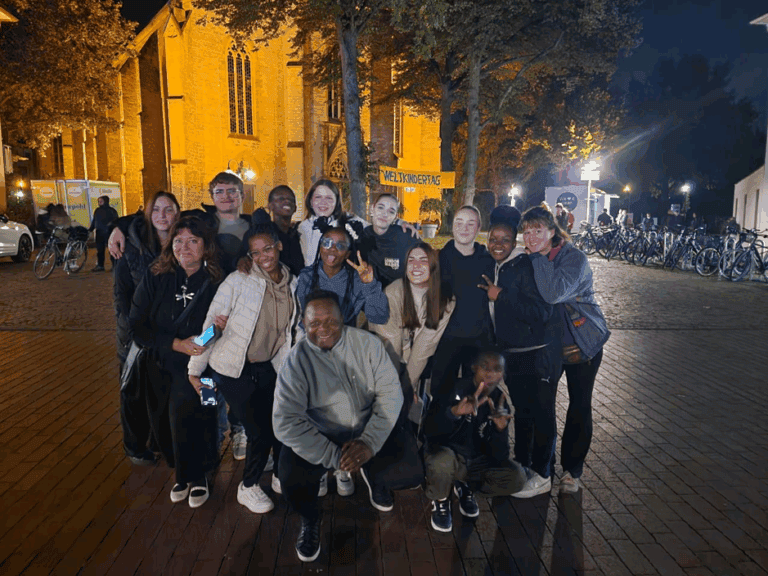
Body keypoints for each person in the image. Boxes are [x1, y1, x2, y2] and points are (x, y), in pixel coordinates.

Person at [273, 291, 424, 562]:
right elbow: (285, 421)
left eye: (331, 321)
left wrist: (369, 443)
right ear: (303, 324)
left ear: (343, 318)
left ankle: (372, 473)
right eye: (314, 323)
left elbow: (391, 394)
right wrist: (336, 458)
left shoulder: (369, 344)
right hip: (323, 435)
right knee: (290, 479)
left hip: (368, 428)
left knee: (410, 474)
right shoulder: (296, 360)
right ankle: (310, 519)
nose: (323, 329)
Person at [187, 211, 300, 513]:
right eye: (256, 252)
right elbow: (210, 325)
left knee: (280, 421)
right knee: (258, 430)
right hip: (230, 368)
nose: (263, 257)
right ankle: (247, 487)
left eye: (267, 249)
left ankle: (279, 475)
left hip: (266, 366)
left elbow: (292, 332)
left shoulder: (293, 284)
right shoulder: (239, 280)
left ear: (278, 246)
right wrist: (195, 370)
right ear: (249, 256)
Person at [129, 216, 223, 508]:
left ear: (205, 245)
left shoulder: (218, 279)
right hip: (161, 361)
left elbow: (223, 324)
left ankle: (197, 475)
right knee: (164, 420)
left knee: (203, 413)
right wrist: (176, 344)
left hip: (205, 364)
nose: (185, 247)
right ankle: (182, 470)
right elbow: (137, 324)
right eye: (179, 240)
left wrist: (200, 342)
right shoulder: (155, 275)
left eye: (193, 241)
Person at [520, 205, 610, 494]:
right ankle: (542, 468)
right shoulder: (530, 257)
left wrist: (537, 259)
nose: (531, 236)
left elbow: (553, 292)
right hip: (548, 346)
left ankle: (572, 470)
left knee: (579, 404)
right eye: (527, 231)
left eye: (538, 230)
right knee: (542, 404)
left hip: (581, 342)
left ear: (552, 231)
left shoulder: (574, 258)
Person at [479, 213, 562, 499]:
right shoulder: (498, 265)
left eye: (505, 239)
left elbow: (542, 311)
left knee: (541, 415)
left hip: (537, 353)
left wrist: (500, 295)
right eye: (493, 239)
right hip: (513, 354)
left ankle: (543, 473)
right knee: (524, 414)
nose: (498, 244)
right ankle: (525, 465)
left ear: (514, 240)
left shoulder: (526, 265)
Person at [423, 350, 526, 532]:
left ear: (503, 374)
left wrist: (499, 430)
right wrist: (453, 413)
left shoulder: (499, 402)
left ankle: (466, 487)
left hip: (474, 464)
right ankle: (440, 500)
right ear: (474, 368)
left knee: (517, 477)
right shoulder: (453, 388)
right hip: (449, 456)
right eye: (485, 367)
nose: (490, 373)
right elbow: (429, 431)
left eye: (497, 369)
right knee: (442, 461)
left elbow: (499, 457)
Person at [114, 191, 180, 465]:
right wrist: (132, 329)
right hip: (135, 332)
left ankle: (162, 441)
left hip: (168, 334)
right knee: (133, 390)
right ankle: (135, 446)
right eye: (156, 210)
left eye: (169, 210)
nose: (162, 216)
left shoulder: (183, 243)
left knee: (161, 389)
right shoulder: (131, 246)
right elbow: (121, 293)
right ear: (148, 215)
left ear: (178, 213)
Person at [370, 243, 455, 419]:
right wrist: (394, 390)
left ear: (433, 266)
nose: (416, 266)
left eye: (423, 260)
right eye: (411, 260)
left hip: (416, 359)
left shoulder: (445, 299)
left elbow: (424, 346)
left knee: (410, 407)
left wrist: (408, 386)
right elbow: (390, 346)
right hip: (386, 358)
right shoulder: (393, 292)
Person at [429, 206, 495, 405]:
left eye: (470, 223)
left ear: (478, 228)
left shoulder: (488, 260)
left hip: (478, 341)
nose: (464, 228)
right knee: (441, 397)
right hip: (445, 340)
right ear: (452, 226)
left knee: (476, 397)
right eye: (459, 222)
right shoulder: (438, 259)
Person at [295, 223, 389, 328]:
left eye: (341, 246)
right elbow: (302, 318)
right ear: (320, 247)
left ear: (347, 254)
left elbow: (379, 318)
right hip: (312, 335)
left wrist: (369, 284)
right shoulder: (307, 276)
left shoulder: (356, 280)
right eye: (327, 243)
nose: (333, 249)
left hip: (344, 336)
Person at [362, 193, 422, 288]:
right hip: (373, 292)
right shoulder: (363, 235)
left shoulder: (407, 236)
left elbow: (429, 261)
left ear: (395, 216)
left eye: (391, 211)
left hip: (402, 292)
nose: (384, 214)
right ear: (372, 208)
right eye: (380, 207)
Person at [267, 185, 304, 276]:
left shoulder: (298, 235)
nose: (287, 201)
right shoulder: (265, 233)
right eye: (281, 199)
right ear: (270, 206)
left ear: (295, 208)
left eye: (291, 200)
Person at [89, 195, 119, 272]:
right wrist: (90, 229)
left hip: (109, 233)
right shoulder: (98, 210)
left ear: (106, 201)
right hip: (99, 233)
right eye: (99, 201)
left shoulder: (111, 211)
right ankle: (100, 266)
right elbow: (94, 221)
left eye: (101, 201)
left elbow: (116, 221)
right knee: (100, 250)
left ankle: (115, 266)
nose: (99, 202)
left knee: (111, 250)